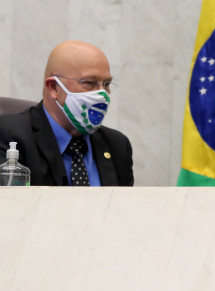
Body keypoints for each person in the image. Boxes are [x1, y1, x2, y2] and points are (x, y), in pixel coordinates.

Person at [0, 41, 133, 186]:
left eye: (106, 84)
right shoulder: (6, 135)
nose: (102, 95)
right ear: (53, 87)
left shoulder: (118, 145)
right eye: (89, 83)